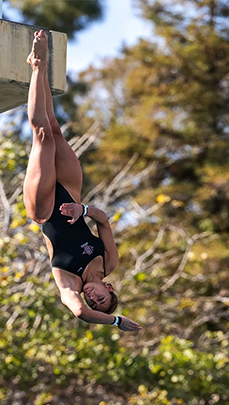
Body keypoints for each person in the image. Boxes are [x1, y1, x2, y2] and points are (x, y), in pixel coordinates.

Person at [23, 30, 142, 332]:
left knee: (42, 137)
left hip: (45, 208)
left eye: (93, 303)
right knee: (54, 129)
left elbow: (80, 313)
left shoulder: (70, 286)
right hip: (72, 196)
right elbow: (103, 221)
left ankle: (38, 64)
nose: (92, 299)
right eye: (100, 300)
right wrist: (83, 212)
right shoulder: (108, 261)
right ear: (110, 288)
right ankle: (40, 71)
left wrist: (114, 321)